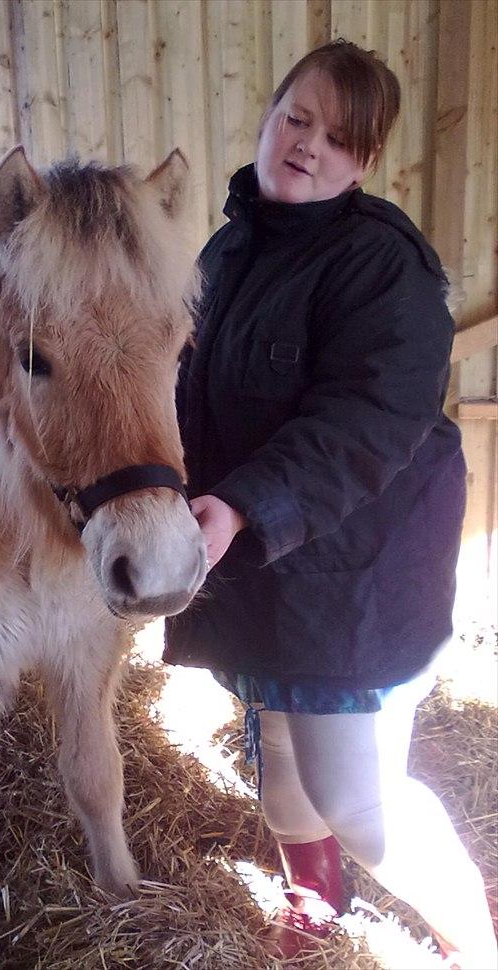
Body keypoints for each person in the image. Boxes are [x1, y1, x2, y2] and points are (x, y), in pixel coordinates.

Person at [163, 39, 497, 968]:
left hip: (361, 558)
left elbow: (364, 423)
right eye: (296, 119)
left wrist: (239, 507)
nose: (308, 145)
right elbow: (194, 389)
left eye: (339, 139)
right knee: (279, 759)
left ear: (364, 163)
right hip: (266, 546)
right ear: (269, 118)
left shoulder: (381, 265)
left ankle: (478, 941)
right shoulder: (231, 249)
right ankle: (315, 898)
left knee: (362, 804)